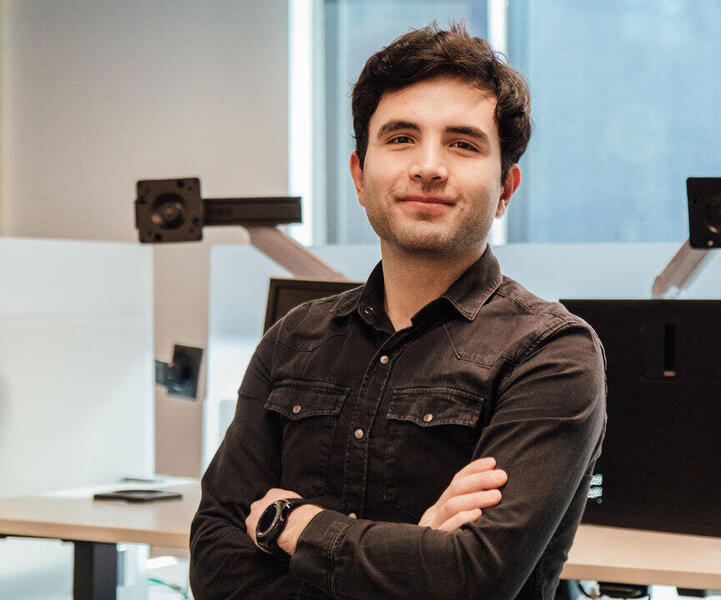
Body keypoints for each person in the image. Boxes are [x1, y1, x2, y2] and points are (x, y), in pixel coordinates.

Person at [190, 23, 606, 600]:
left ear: (506, 188)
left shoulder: (551, 353)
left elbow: (472, 579)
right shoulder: (295, 340)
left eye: (463, 143)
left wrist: (292, 525)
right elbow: (215, 562)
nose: (429, 166)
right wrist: (414, 552)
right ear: (360, 176)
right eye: (401, 138)